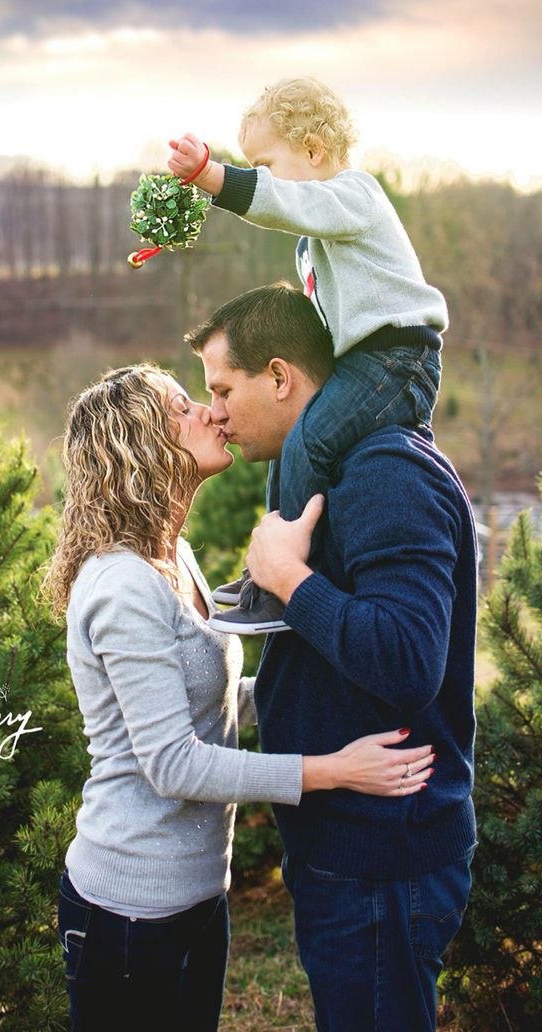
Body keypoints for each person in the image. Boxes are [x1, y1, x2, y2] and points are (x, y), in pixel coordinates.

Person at [42, 364, 435, 1032]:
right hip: (131, 911)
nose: (211, 412)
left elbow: (213, 700)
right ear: (142, 443)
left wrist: (339, 691)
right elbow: (175, 764)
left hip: (198, 895)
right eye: (183, 407)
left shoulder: (173, 556)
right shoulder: (121, 587)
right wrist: (334, 771)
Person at [187, 283, 477, 1032]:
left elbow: (409, 661)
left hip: (384, 857)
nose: (213, 410)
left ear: (279, 377)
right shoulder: (333, 471)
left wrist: (290, 579)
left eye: (223, 388)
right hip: (348, 847)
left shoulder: (386, 473)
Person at [168, 75, 448, 633]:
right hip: (365, 362)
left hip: (398, 357)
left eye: (266, 164)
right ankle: (269, 567)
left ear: (315, 151)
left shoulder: (356, 196)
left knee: (310, 439)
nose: (264, 178)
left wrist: (213, 177)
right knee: (293, 446)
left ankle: (284, 580)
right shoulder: (315, 244)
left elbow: (284, 202)